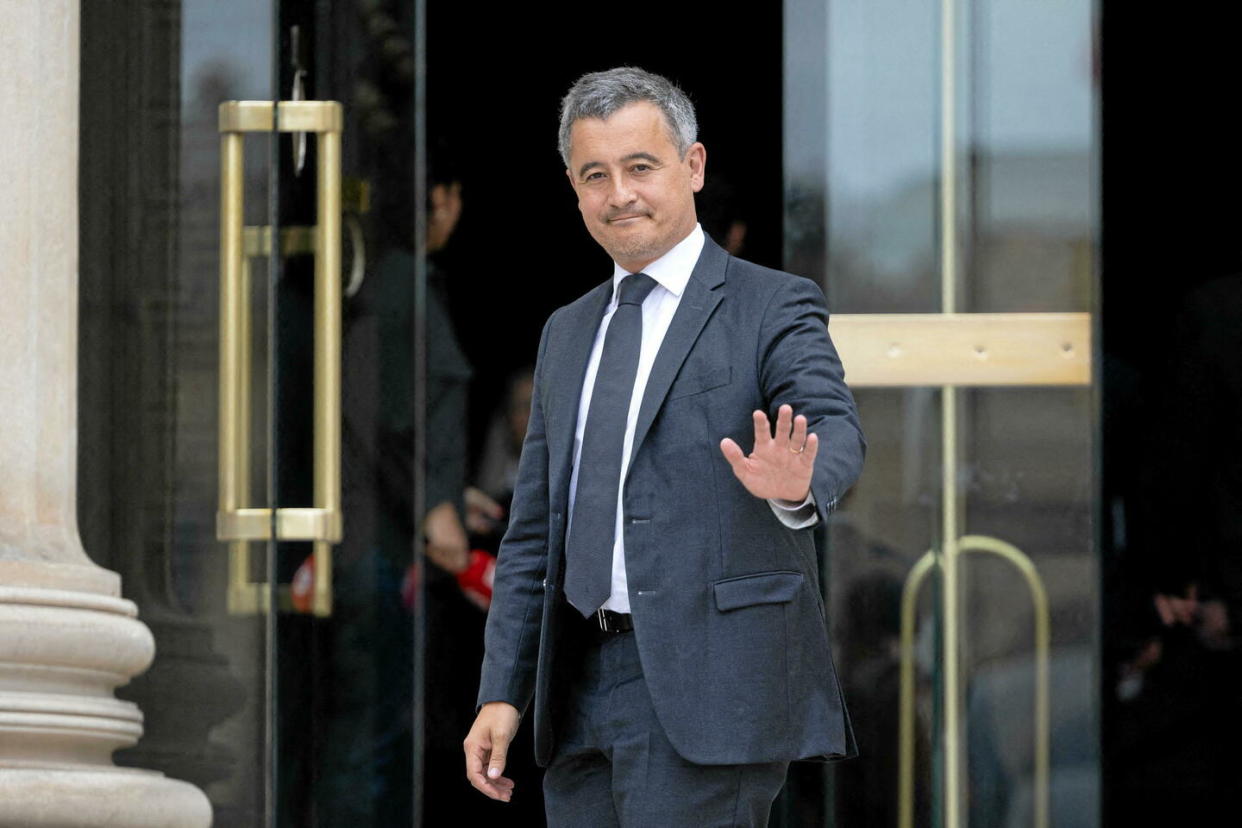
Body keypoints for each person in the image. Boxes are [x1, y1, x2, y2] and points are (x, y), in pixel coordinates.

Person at [462, 66, 865, 826]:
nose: (620, 194)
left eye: (641, 167)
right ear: (574, 188)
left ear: (694, 166)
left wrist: (797, 483)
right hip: (577, 688)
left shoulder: (769, 304)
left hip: (712, 688)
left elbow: (833, 424)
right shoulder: (567, 330)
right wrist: (501, 690)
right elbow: (533, 533)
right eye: (595, 175)